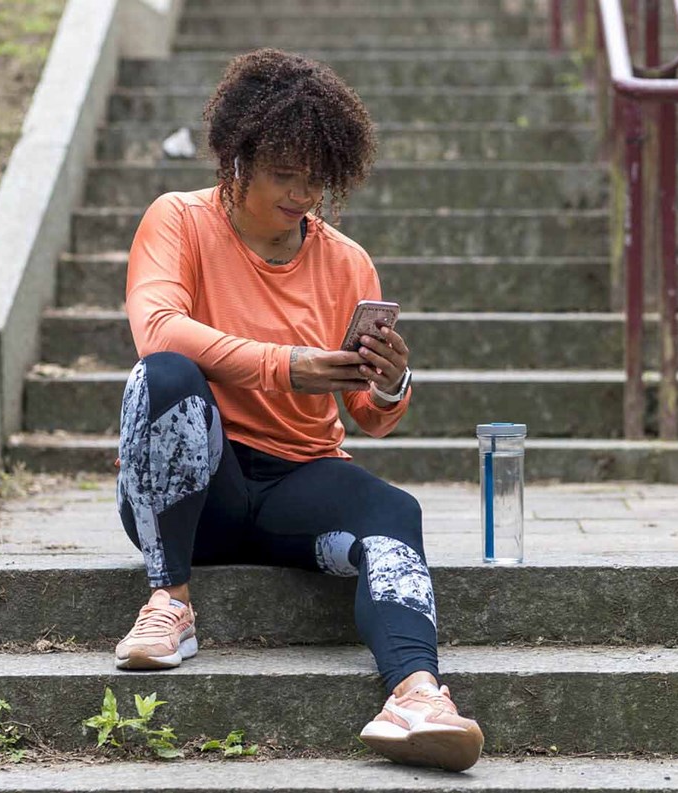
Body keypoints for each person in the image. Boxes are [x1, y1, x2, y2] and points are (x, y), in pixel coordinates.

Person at [111, 48, 483, 773]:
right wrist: (289, 365)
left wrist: (388, 383)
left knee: (394, 511)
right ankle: (170, 600)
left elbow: (366, 415)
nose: (302, 193)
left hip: (297, 490)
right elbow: (157, 327)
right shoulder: (178, 222)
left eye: (317, 177)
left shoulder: (347, 261)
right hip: (194, 495)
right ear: (235, 159)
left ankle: (416, 692)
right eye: (284, 172)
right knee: (165, 376)